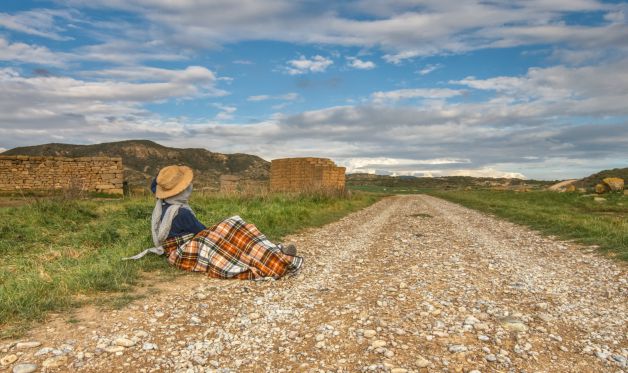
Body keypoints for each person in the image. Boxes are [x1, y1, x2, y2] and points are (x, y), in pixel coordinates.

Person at [125, 165, 303, 280]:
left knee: (231, 232)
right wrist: (221, 231)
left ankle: (274, 250)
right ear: (180, 191)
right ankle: (276, 257)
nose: (189, 188)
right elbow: (201, 230)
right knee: (233, 229)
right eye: (186, 186)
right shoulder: (180, 212)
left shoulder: (166, 206)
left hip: (178, 248)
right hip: (182, 251)